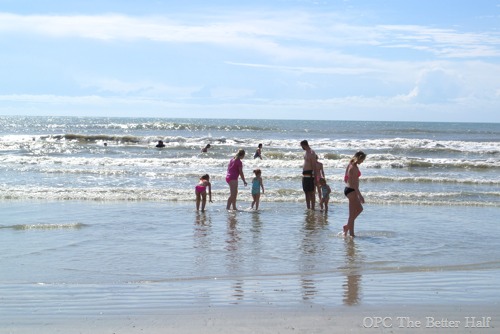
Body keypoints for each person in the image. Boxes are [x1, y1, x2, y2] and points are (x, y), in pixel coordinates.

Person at [343, 151, 367, 237]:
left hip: (348, 189)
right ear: (359, 158)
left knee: (355, 212)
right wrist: (360, 196)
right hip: (352, 190)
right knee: (354, 212)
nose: (362, 162)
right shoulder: (353, 167)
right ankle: (349, 231)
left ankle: (349, 229)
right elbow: (355, 185)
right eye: (362, 160)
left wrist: (347, 180)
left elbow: (345, 177)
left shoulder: (350, 164)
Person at [300, 140, 318, 210]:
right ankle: (308, 207)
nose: (302, 147)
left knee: (311, 192)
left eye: (302, 146)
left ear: (304, 145)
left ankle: (312, 207)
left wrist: (315, 178)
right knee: (306, 192)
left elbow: (314, 166)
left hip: (310, 175)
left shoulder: (311, 153)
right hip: (305, 175)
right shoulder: (306, 153)